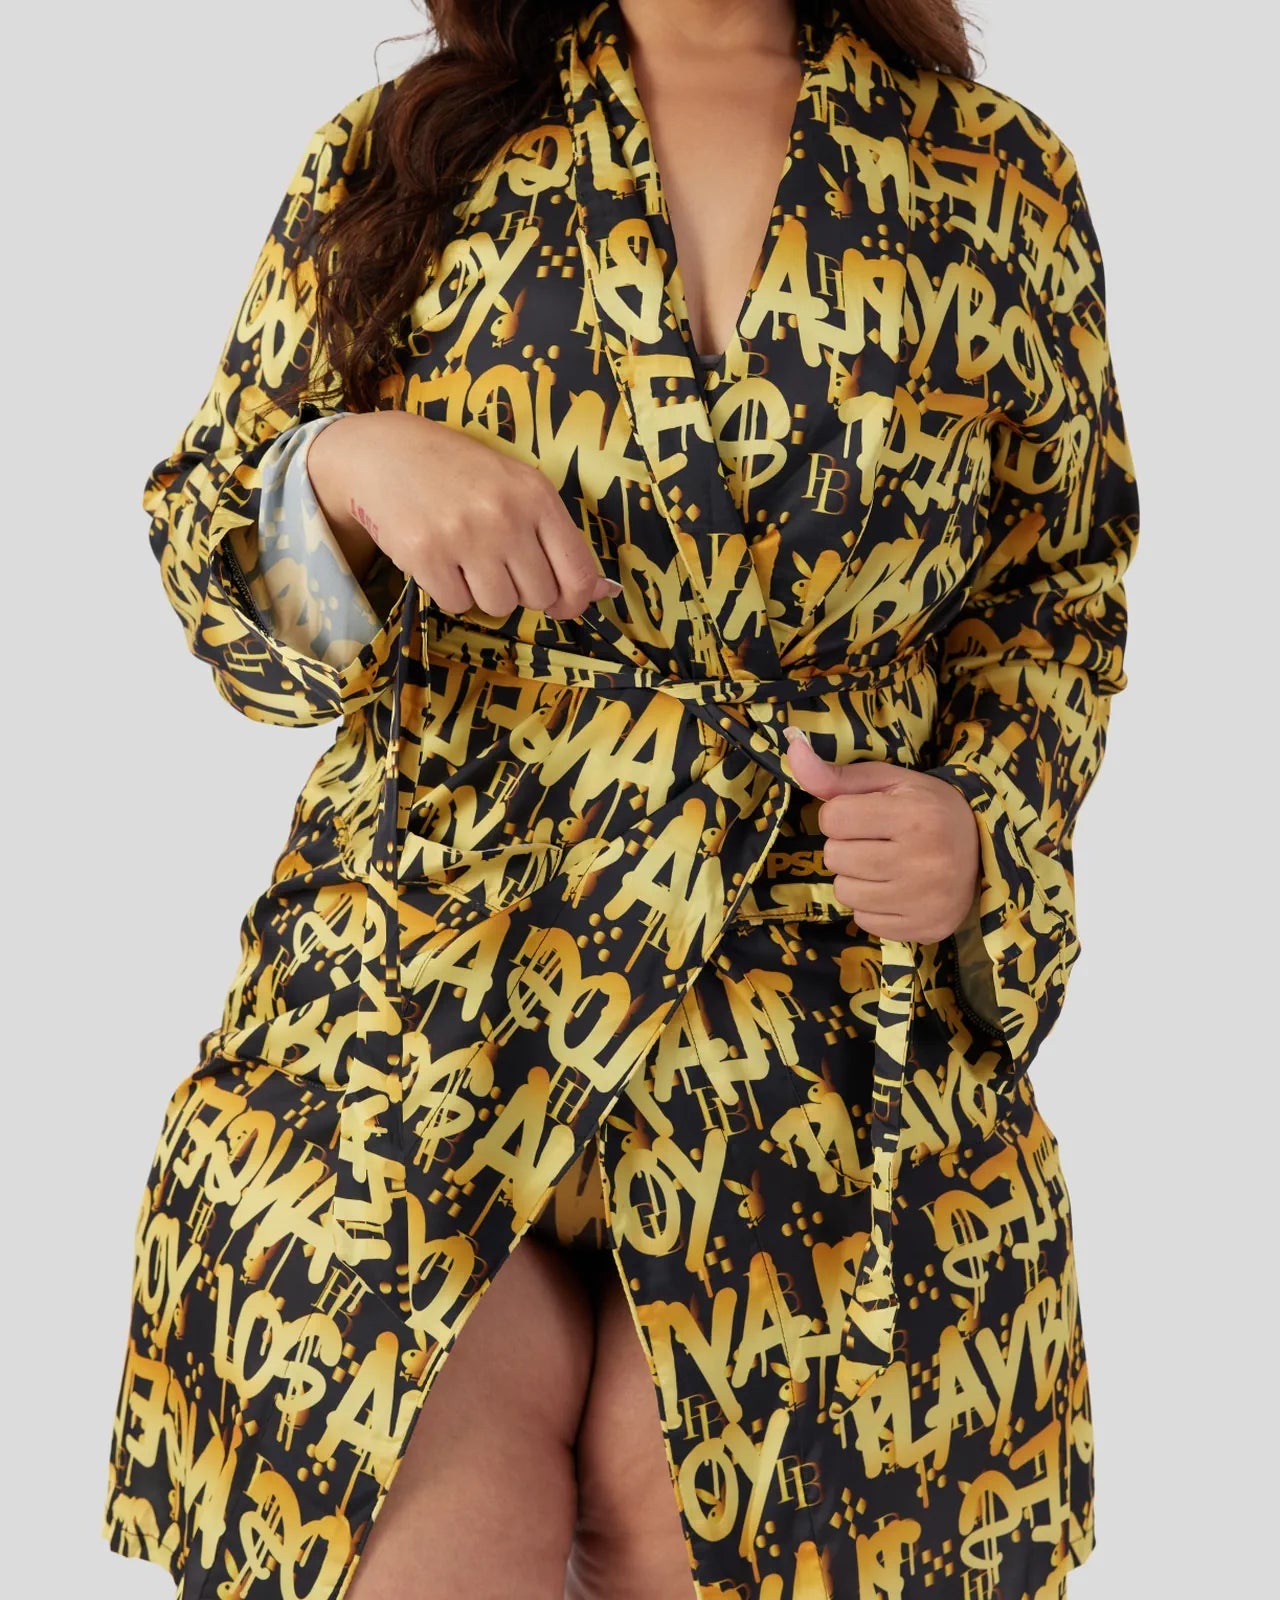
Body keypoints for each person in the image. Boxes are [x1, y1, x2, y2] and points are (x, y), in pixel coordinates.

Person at [101, 1, 1139, 1596]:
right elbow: (218, 567)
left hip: (824, 1027)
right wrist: (343, 469)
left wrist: (978, 834)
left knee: (783, 1519)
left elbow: (1054, 597)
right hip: (415, 995)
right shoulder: (405, 155)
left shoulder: (993, 181)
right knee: (381, 1503)